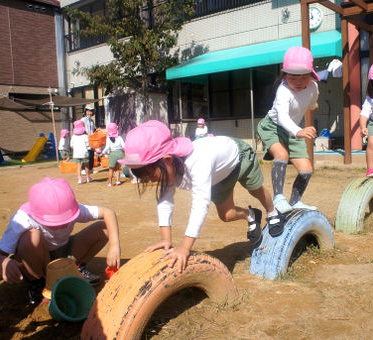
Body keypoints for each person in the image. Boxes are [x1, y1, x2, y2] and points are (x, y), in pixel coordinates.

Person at [119, 120, 283, 272]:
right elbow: (164, 202)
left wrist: (185, 247)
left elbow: (200, 204)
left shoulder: (198, 161)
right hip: (217, 177)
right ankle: (251, 215)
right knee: (227, 215)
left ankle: (272, 212)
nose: (150, 180)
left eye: (151, 174)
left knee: (255, 190)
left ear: (167, 160)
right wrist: (166, 239)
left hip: (239, 158)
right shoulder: (168, 169)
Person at [0, 177, 121, 304]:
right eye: (53, 224)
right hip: (35, 261)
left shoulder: (72, 209)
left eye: (66, 221)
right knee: (32, 237)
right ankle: (38, 282)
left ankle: (76, 268)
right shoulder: (22, 219)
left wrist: (114, 245)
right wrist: (3, 262)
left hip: (64, 252)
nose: (61, 226)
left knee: (103, 228)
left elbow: (108, 212)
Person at [257, 46, 319, 214]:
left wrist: (313, 106)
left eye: (304, 77)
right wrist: (298, 131)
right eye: (293, 77)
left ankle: (295, 201)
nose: (298, 82)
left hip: (293, 131)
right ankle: (278, 198)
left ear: (311, 75)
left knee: (306, 169)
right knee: (282, 155)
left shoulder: (313, 88)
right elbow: (282, 117)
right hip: (273, 127)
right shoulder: (283, 91)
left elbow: (312, 102)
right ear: (285, 75)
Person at [100, 123, 125, 187]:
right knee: (117, 169)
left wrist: (102, 153)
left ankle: (110, 183)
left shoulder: (108, 138)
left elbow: (107, 147)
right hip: (120, 153)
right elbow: (123, 146)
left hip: (112, 154)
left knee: (111, 169)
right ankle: (118, 181)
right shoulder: (119, 137)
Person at [70, 120, 91, 184]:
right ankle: (88, 177)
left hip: (76, 154)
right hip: (84, 153)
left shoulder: (73, 137)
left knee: (78, 166)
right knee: (86, 166)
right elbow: (87, 144)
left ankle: (80, 179)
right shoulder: (85, 136)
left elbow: (71, 145)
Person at [81, 104, 97, 174]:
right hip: (85, 139)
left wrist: (97, 130)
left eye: (91, 111)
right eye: (88, 111)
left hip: (91, 139)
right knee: (86, 154)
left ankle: (90, 168)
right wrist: (87, 134)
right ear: (85, 111)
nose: (90, 113)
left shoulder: (92, 121)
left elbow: (94, 129)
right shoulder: (83, 120)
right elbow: (81, 129)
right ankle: (83, 169)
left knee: (91, 154)